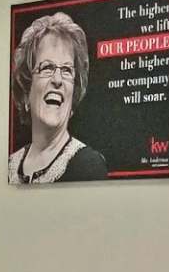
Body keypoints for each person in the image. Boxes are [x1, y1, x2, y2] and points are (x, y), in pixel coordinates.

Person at [9, 11, 108, 183]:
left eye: (67, 70)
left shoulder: (89, 166)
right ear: (26, 90)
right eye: (47, 67)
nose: (57, 80)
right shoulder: (10, 165)